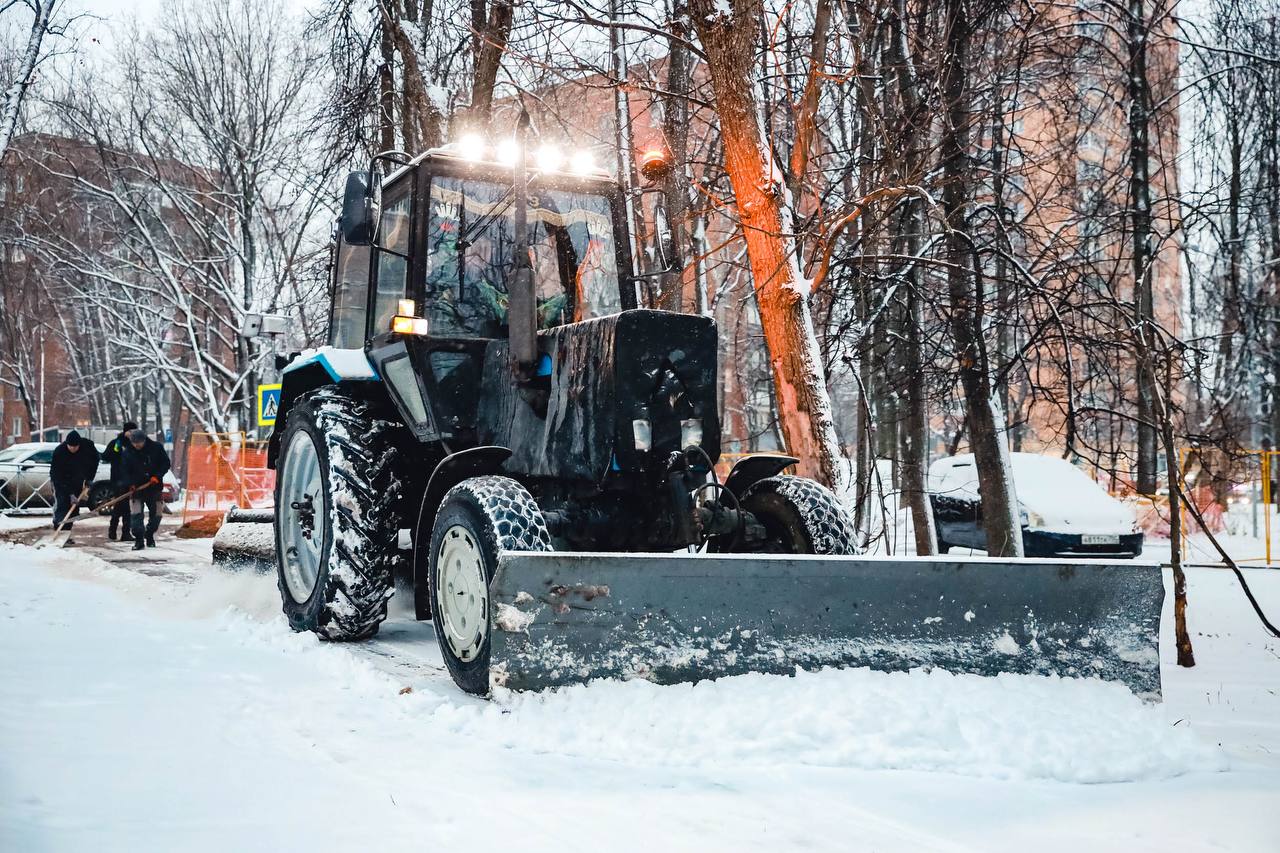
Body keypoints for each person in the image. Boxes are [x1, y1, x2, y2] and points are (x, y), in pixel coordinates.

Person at [121, 428, 170, 550]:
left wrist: (157, 476)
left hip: (154, 487)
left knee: (157, 514)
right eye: (134, 443)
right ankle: (139, 540)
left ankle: (149, 534)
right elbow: (124, 471)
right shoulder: (128, 453)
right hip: (137, 489)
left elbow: (165, 463)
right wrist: (130, 483)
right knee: (136, 515)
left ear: (144, 440)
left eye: (139, 443)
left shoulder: (156, 448)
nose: (137, 445)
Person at [49, 430, 100, 531]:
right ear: (67, 444)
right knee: (62, 506)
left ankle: (67, 532)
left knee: (73, 509)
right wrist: (70, 494)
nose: (73, 449)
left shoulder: (88, 447)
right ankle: (59, 530)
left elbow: (95, 462)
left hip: (77, 480)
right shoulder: (60, 452)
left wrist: (89, 478)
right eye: (70, 446)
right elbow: (57, 475)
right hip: (61, 482)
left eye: (75, 446)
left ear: (79, 444)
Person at [99, 421, 138, 541]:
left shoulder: (135, 444)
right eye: (130, 431)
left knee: (120, 506)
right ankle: (123, 532)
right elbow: (106, 456)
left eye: (134, 432)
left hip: (129, 480)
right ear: (125, 431)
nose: (132, 434)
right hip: (117, 479)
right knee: (123, 506)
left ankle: (114, 531)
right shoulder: (117, 443)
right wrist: (115, 450)